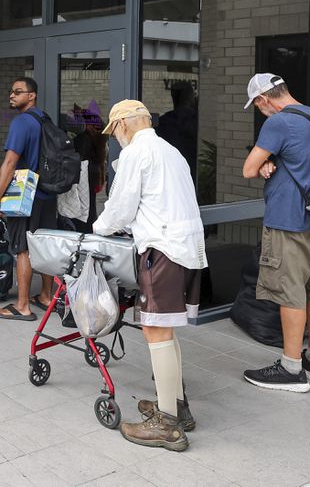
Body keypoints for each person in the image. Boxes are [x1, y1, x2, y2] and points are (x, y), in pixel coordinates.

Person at [93, 99, 207, 452]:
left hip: (162, 249)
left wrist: (98, 230)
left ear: (125, 124)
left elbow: (121, 206)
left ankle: (168, 425)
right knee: (165, 327)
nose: (115, 139)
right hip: (187, 248)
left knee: (155, 328)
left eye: (114, 132)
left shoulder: (136, 153)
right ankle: (176, 406)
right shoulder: (170, 150)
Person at [241, 73, 310, 393]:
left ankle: (292, 369)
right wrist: (272, 159)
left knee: (290, 292)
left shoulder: (278, 123)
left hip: (287, 220)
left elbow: (249, 169)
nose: (259, 112)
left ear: (265, 100)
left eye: (257, 106)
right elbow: (302, 159)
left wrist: (263, 161)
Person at [0, 77, 57, 321]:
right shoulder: (45, 119)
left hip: (27, 197)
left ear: (32, 95)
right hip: (48, 194)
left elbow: (10, 162)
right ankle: (47, 295)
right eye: (11, 91)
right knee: (45, 247)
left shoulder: (22, 123)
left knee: (23, 250)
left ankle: (23, 305)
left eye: (18, 92)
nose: (12, 95)